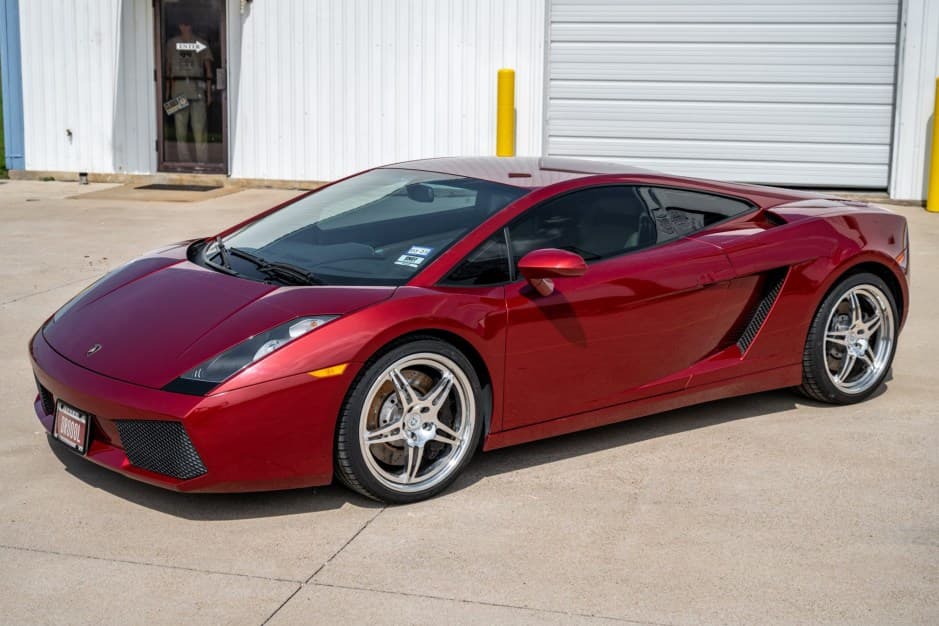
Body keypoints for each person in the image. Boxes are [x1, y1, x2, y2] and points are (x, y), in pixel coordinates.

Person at [165, 20, 214, 163]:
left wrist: (209, 94)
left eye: (187, 23)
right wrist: (167, 93)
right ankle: (184, 162)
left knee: (200, 130)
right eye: (182, 24)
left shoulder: (201, 43)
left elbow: (208, 71)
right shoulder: (171, 44)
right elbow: (168, 70)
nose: (185, 27)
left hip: (197, 92)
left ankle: (202, 162)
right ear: (179, 26)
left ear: (192, 25)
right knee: (180, 131)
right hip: (178, 92)